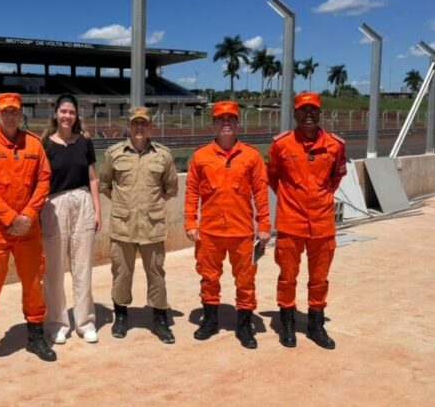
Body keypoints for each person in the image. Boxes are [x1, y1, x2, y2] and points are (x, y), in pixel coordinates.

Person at [0, 92, 56, 371]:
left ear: (20, 114)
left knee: (33, 284)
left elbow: (44, 181)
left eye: (14, 111)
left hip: (27, 229)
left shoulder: (34, 144)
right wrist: (10, 218)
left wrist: (27, 215)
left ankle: (35, 336)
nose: (10, 116)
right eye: (5, 111)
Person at [184, 101, 271, 349]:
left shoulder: (251, 156)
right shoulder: (201, 156)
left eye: (230, 119)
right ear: (213, 125)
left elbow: (260, 193)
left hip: (242, 232)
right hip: (210, 232)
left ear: (237, 123)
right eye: (221, 119)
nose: (226, 123)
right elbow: (191, 191)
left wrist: (264, 224)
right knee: (208, 277)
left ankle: (244, 326)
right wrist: (191, 221)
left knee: (246, 280)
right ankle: (210, 321)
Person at [268, 92, 347, 349]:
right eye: (303, 110)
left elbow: (335, 179)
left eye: (313, 109)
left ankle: (316, 325)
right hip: (291, 222)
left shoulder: (335, 145)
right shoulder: (281, 145)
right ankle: (288, 323)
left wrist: (319, 199)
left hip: (322, 223)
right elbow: (273, 177)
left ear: (320, 112)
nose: (308, 114)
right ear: (295, 114)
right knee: (287, 276)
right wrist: (292, 199)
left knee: (319, 278)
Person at [99, 106, 179, 344]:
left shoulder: (163, 155)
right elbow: (105, 185)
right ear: (128, 126)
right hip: (122, 226)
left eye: (144, 123)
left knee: (156, 273)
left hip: (152, 227)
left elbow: (171, 188)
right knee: (121, 273)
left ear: (151, 126)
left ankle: (160, 318)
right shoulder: (114, 154)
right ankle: (121, 315)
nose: (139, 127)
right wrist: (125, 205)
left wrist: (150, 206)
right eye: (135, 123)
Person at [40, 94, 102, 345]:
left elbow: (93, 178)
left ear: (77, 116)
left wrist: (97, 210)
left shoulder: (84, 142)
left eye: (72, 112)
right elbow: (40, 181)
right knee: (54, 268)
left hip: (83, 201)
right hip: (55, 204)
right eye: (63, 111)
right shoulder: (45, 144)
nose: (67, 116)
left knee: (83, 266)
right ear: (55, 114)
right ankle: (57, 322)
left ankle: (85, 322)